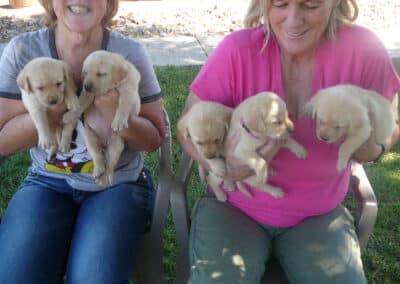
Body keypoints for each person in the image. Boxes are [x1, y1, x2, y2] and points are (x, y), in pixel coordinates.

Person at [178, 0, 400, 283]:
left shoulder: (364, 50)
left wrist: (375, 146)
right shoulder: (236, 51)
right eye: (280, 4)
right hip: (235, 208)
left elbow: (391, 120)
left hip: (320, 215)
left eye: (310, 5)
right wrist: (219, 164)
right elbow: (186, 124)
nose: (293, 20)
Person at [0, 0, 164, 283]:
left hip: (117, 183)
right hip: (46, 180)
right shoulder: (23, 51)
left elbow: (154, 139)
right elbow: (3, 141)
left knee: (94, 277)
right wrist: (52, 106)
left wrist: (116, 110)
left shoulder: (128, 54)